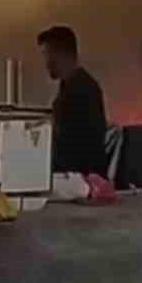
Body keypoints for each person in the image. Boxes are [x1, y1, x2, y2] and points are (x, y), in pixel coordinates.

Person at [37, 25, 109, 176]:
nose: (45, 63)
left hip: (79, 183)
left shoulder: (81, 90)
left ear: (60, 54)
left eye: (46, 54)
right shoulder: (75, 86)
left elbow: (77, 148)